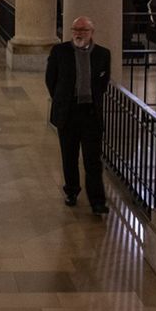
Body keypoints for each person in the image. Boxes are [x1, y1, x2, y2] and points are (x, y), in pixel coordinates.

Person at [45, 16, 112, 214]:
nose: (78, 33)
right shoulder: (59, 51)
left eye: (83, 30)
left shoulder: (103, 54)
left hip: (91, 113)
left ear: (92, 32)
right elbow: (51, 80)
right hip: (68, 112)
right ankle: (71, 191)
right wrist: (62, 99)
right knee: (69, 156)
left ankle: (97, 201)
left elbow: (103, 82)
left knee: (93, 159)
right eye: (75, 29)